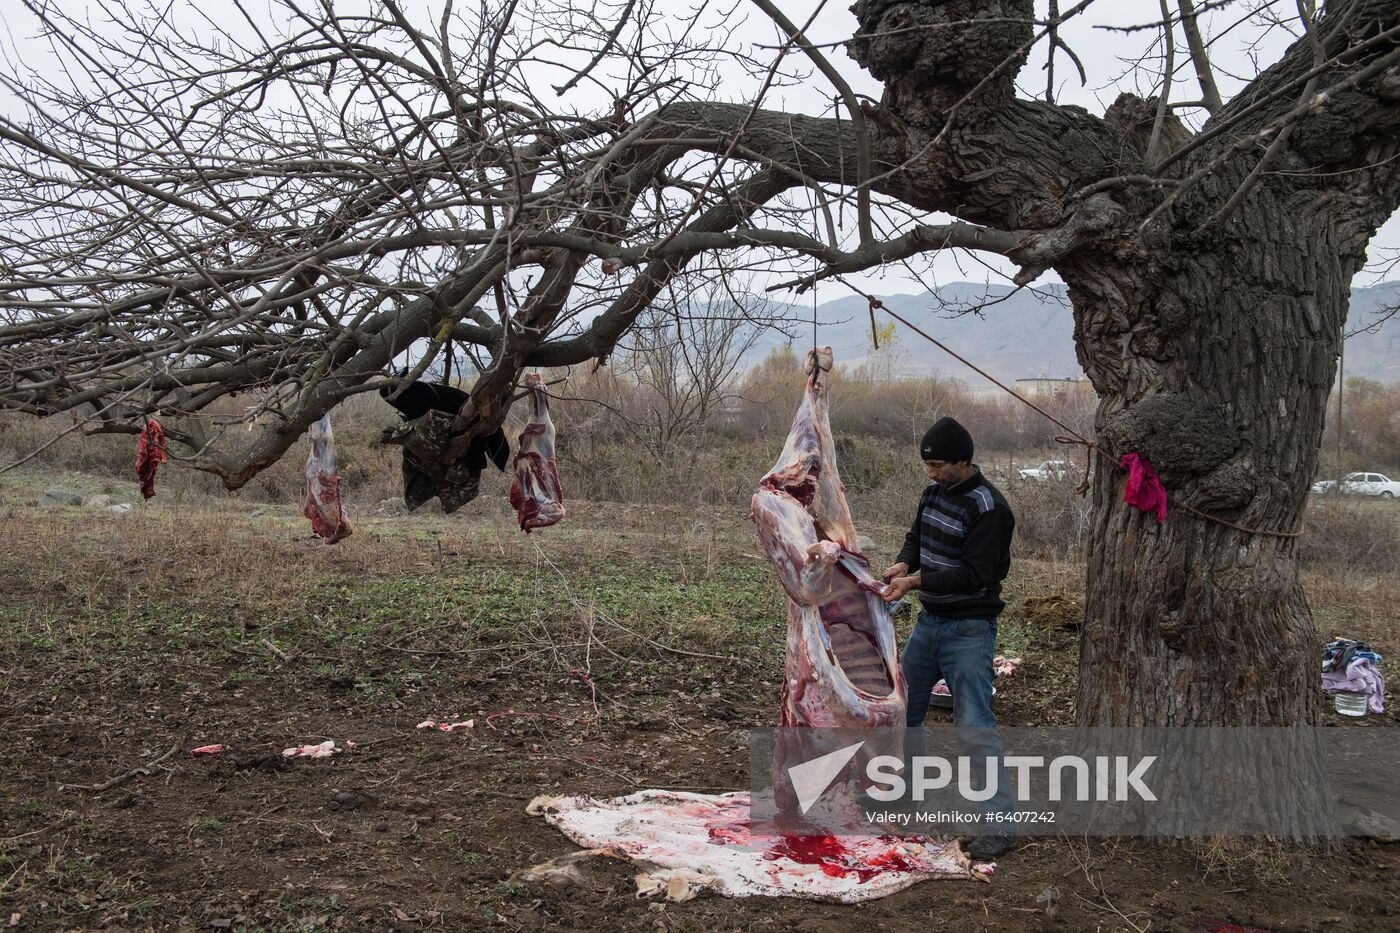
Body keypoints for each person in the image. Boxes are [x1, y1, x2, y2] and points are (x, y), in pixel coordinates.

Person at [880, 416, 1016, 859]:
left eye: (938, 465)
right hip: (929, 626)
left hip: (968, 630)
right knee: (904, 710)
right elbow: (916, 538)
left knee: (974, 726)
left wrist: (915, 583)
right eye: (927, 466)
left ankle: (1000, 824)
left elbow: (973, 574)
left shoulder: (989, 509)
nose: (931, 474)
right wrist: (904, 563)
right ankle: (906, 793)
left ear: (963, 461)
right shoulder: (933, 494)